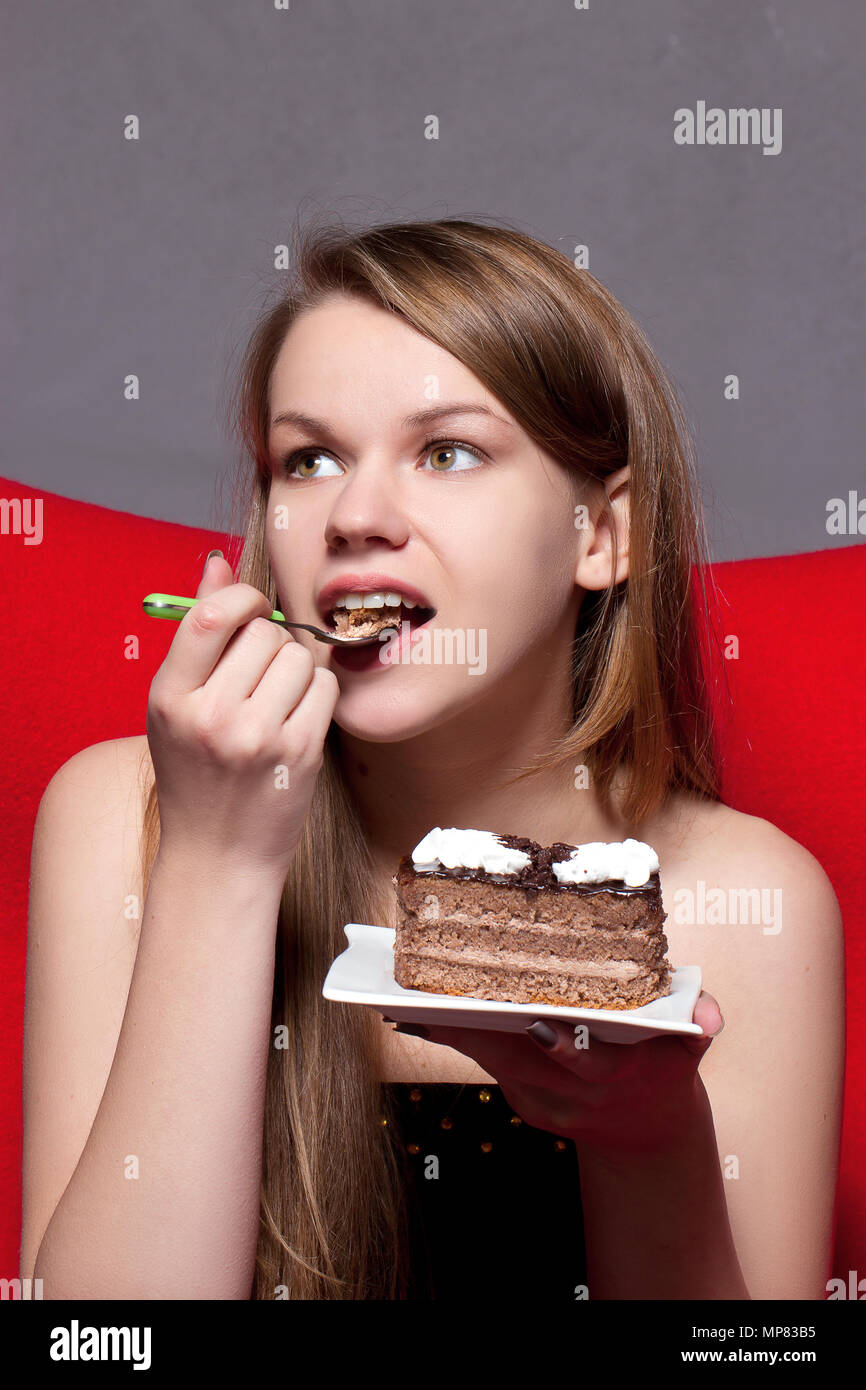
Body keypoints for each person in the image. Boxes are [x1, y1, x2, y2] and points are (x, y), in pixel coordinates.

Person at [20, 216, 844, 1300]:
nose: (355, 516)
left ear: (602, 534)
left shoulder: (745, 902)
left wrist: (652, 1146)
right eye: (307, 459)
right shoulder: (127, 819)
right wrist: (218, 865)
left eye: (445, 451)